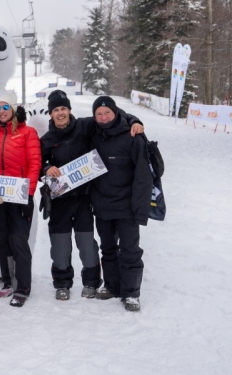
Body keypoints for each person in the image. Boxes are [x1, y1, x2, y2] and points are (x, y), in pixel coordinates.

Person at [40, 90, 144, 301]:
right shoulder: (47, 139)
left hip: (85, 198)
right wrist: (46, 168)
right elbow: (37, 163)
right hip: (60, 199)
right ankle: (62, 283)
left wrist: (135, 120)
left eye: (64, 108)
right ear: (50, 114)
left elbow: (112, 117)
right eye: (56, 110)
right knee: (60, 245)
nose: (60, 113)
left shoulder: (85, 126)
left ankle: (91, 282)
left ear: (69, 110)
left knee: (87, 243)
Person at [89, 96, 153, 312]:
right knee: (107, 248)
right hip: (102, 204)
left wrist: (141, 208)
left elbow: (144, 176)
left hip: (127, 206)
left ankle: (131, 292)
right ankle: (112, 286)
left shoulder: (133, 136)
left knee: (130, 250)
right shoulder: (92, 134)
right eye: (99, 114)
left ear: (116, 113)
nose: (103, 117)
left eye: (107, 113)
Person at [0, 92, 42, 307]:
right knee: (2, 239)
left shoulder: (28, 132)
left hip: (20, 195)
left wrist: (28, 195)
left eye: (5, 107)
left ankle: (23, 286)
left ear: (14, 109)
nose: (1, 112)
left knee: (18, 240)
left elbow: (35, 164)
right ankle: (8, 280)